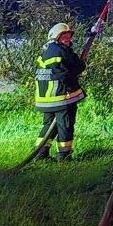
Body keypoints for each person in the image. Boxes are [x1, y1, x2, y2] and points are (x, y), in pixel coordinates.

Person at [34, 22, 86, 160]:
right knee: (65, 125)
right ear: (56, 37)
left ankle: (40, 153)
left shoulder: (46, 53)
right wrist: (81, 64)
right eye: (64, 36)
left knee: (48, 126)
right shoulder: (62, 51)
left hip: (45, 99)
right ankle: (64, 155)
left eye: (69, 36)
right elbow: (76, 68)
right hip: (61, 97)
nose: (68, 39)